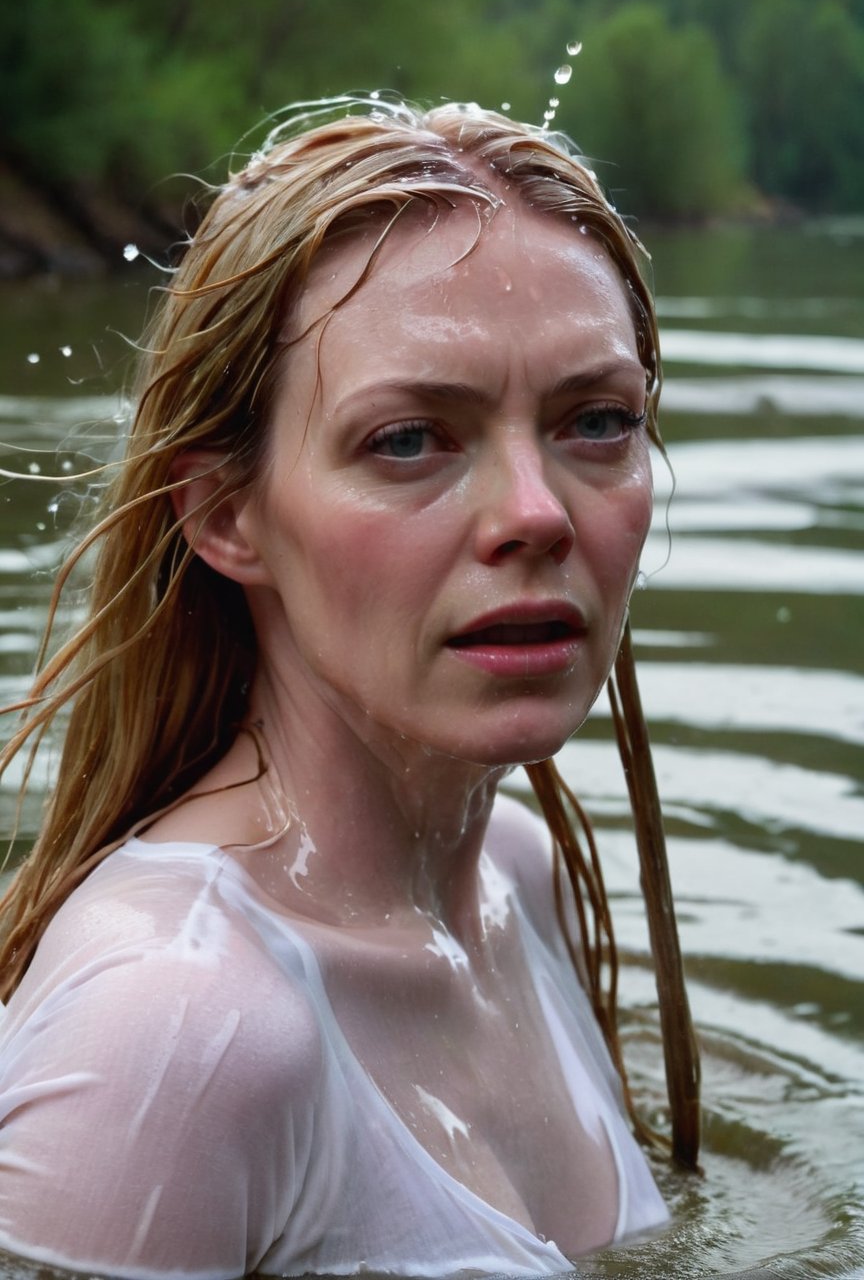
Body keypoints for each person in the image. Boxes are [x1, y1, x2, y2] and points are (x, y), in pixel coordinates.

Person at [0, 97, 696, 1279]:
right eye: (410, 439)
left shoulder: (520, 880)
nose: (535, 513)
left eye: (596, 421)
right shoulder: (174, 1029)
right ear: (226, 514)